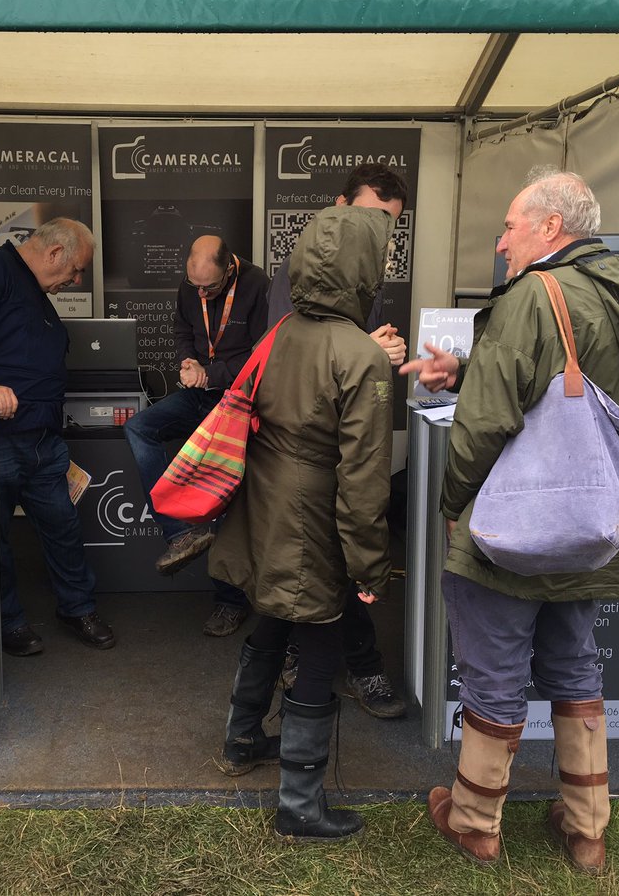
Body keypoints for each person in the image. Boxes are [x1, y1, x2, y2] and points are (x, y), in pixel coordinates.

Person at [400, 168, 619, 872]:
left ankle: (476, 823)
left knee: (493, 669)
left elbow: (487, 424)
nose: (502, 240)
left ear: (550, 227)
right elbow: (562, 388)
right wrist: (461, 369)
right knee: (576, 665)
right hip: (589, 520)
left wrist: (456, 504)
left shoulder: (535, 295)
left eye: (512, 226)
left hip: (516, 521)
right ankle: (587, 830)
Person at [210, 204, 396, 840]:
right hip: (312, 513)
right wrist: (370, 565)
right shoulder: (360, 355)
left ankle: (241, 740)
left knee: (271, 613)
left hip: (263, 502)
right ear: (365, 271)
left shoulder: (281, 330)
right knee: (319, 640)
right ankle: (300, 803)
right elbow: (365, 480)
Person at [0, 218, 116, 657]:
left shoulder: (36, 290)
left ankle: (77, 607)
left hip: (42, 439)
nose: (75, 281)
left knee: (63, 529)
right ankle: (8, 622)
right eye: (75, 270)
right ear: (54, 253)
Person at [266, 162, 409, 721]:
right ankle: (346, 672)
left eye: (390, 224)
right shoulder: (297, 275)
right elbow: (288, 357)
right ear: (340, 207)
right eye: (373, 218)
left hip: (322, 460)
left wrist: (376, 352)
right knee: (325, 580)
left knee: (305, 584)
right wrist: (365, 353)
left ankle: (264, 709)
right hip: (304, 462)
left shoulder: (363, 276)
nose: (381, 233)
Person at [123, 235, 270, 637]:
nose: (201, 291)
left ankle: (230, 603)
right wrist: (188, 359)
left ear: (229, 267)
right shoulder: (191, 284)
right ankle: (182, 533)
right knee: (139, 427)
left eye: (210, 286)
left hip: (238, 404)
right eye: (195, 285)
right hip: (198, 396)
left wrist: (213, 373)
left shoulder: (259, 286)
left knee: (221, 498)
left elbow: (262, 353)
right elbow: (181, 328)